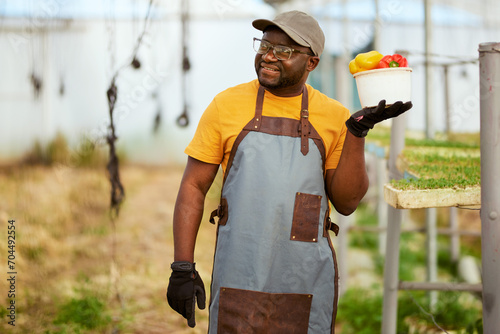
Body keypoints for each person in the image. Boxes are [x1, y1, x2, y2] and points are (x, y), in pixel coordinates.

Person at [167, 10, 412, 333]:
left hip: (305, 278)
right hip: (239, 274)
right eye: (264, 46)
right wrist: (182, 267)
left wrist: (356, 133)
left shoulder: (333, 115)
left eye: (284, 52)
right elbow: (194, 187)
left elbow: (347, 202)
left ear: (311, 63)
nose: (268, 57)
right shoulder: (225, 106)